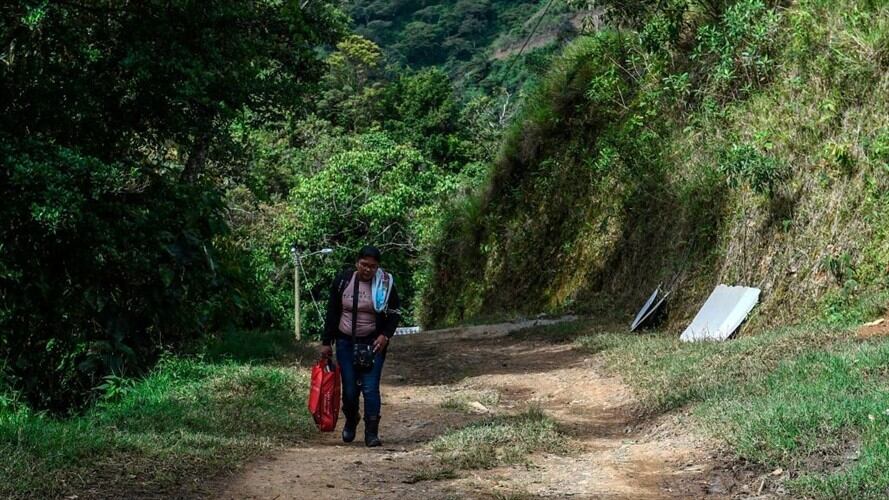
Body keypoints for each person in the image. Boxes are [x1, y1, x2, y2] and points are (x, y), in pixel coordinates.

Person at [319, 246, 400, 447]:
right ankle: (351, 419)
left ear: (378, 267)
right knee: (350, 389)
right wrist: (326, 342)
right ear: (357, 263)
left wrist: (385, 336)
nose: (367, 270)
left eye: (372, 266)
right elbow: (332, 311)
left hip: (373, 344)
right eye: (364, 265)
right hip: (346, 342)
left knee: (370, 389)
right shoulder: (343, 281)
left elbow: (395, 313)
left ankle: (371, 433)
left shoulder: (385, 284)